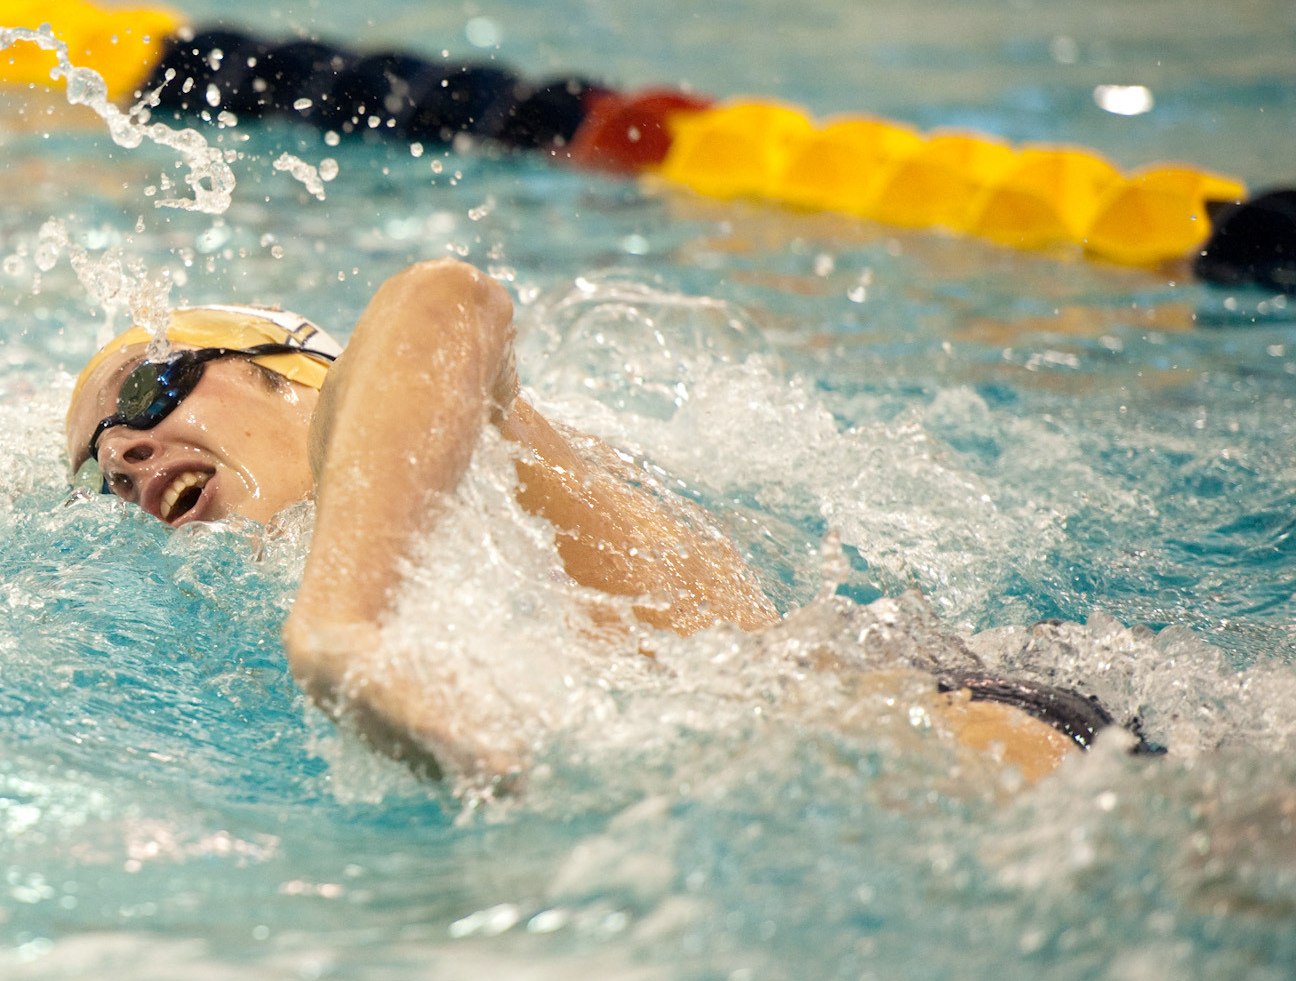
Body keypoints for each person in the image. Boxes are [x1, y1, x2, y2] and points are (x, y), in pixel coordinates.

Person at [64, 260, 1122, 787]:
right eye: (103, 469)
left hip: (954, 728)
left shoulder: (441, 432)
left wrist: (341, 635)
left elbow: (447, 296)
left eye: (150, 392)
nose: (125, 453)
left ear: (292, 370)